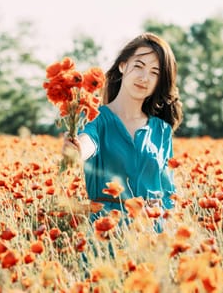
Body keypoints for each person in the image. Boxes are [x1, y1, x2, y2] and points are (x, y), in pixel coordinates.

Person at [62, 32, 183, 227]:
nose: (144, 78)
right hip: (108, 233)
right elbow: (87, 141)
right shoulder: (98, 119)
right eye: (139, 66)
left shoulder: (162, 130)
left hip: (153, 233)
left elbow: (168, 192)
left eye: (155, 72)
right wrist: (76, 149)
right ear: (122, 65)